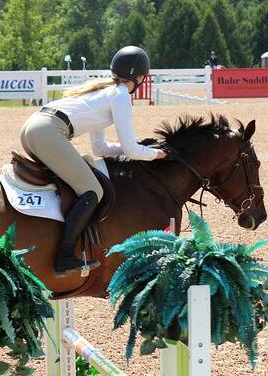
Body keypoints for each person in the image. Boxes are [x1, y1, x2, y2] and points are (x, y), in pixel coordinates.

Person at [19, 46, 168, 278]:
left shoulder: (107, 91)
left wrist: (140, 148)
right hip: (48, 132)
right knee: (93, 190)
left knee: (75, 184)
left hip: (34, 128)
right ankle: (64, 257)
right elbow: (130, 149)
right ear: (140, 78)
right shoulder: (119, 95)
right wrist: (156, 154)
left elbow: (100, 148)